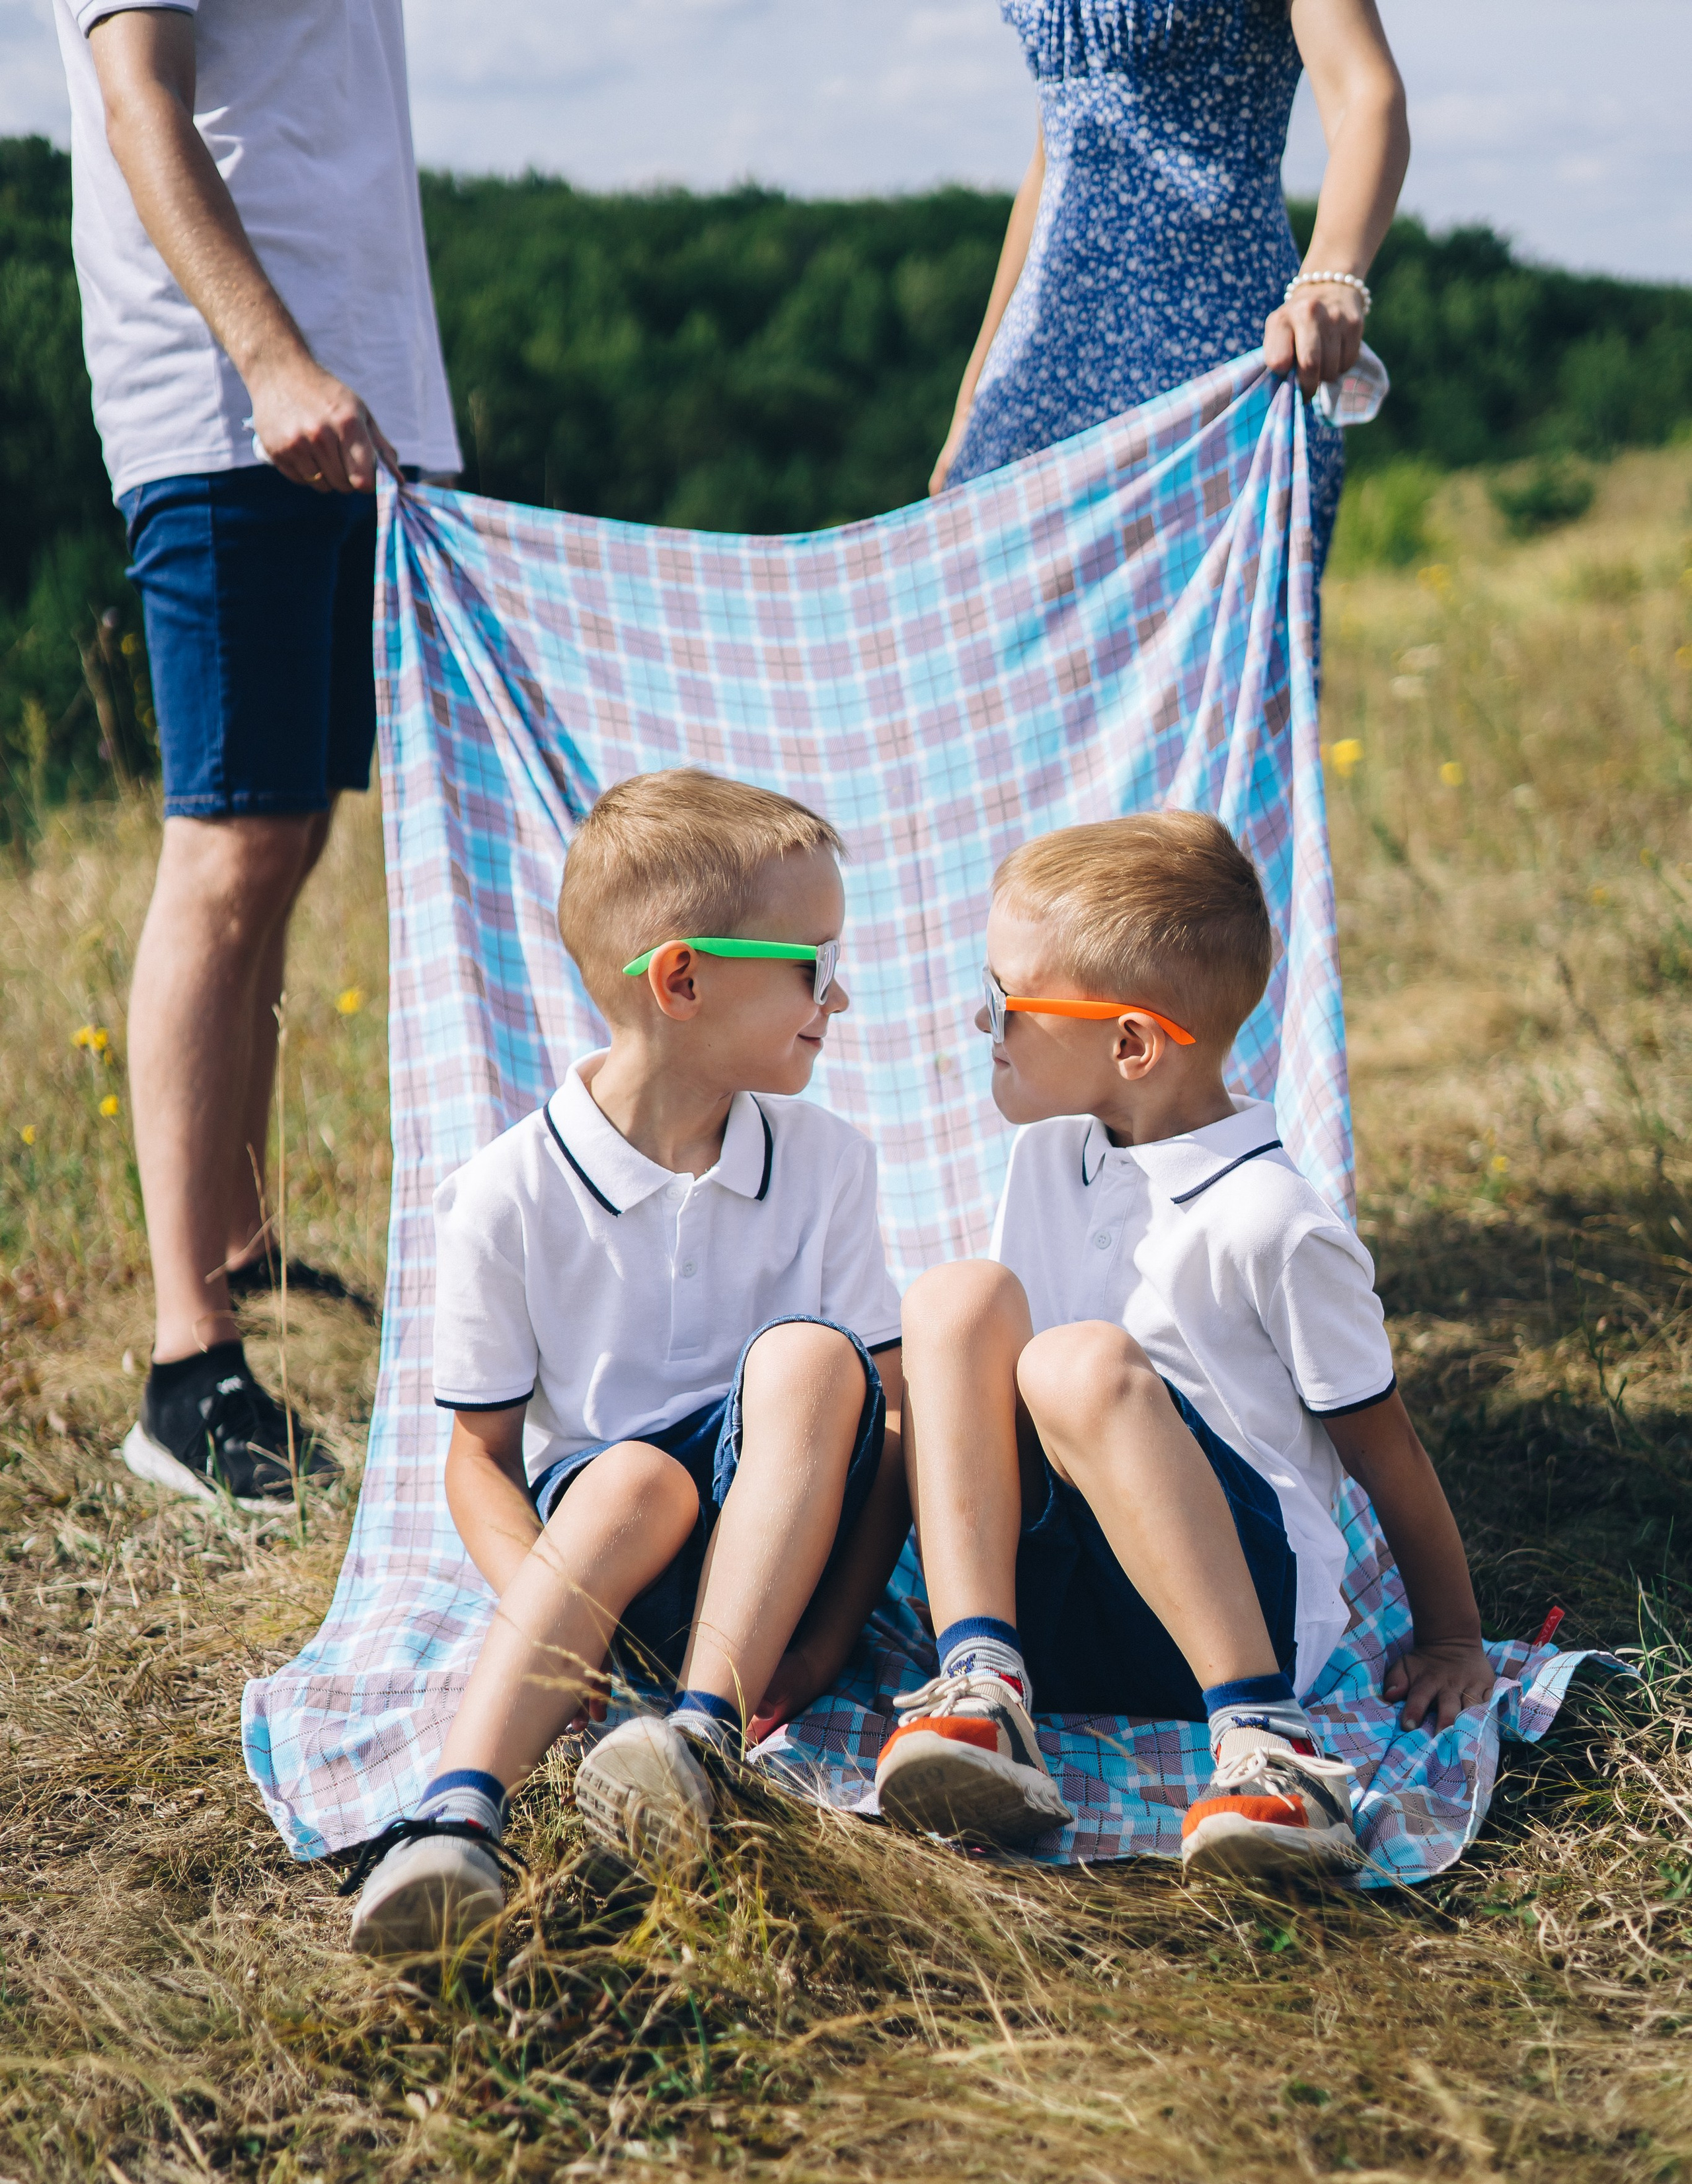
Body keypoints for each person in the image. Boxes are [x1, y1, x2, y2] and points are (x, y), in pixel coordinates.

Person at [346, 771, 910, 1957]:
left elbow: (893, 1426)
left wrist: (823, 1643)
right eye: (811, 962)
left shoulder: (832, 1163)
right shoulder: (502, 1197)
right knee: (634, 1480)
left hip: (785, 1565)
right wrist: (557, 1631)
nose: (839, 993)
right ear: (683, 980)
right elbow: (478, 1462)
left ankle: (696, 1747)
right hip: (611, 1563)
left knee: (813, 1361)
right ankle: (454, 1822)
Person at [882, 813, 1493, 1873]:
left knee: (1076, 1363)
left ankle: (1268, 1749)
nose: (983, 1026)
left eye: (1004, 1004)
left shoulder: (1272, 1222)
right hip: (1073, 1606)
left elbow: (1381, 1446)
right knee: (957, 1300)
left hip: (1230, 1617)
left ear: (1130, 1044)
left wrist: (1450, 1638)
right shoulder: (1052, 1155)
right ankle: (983, 1685)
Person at [53, 0, 461, 1507]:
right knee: (226, 845)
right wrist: (274, 361)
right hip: (231, 410)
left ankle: (233, 1239)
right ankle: (187, 1365)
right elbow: (138, 103)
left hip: (352, 404)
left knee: (288, 837)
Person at [930, 0, 1410, 572]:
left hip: (1205, 374)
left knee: (1216, 654)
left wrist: (1330, 277)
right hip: (1034, 398)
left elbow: (1366, 94)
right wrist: (971, 402)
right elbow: (1049, 168)